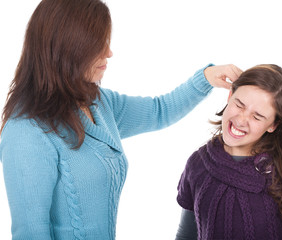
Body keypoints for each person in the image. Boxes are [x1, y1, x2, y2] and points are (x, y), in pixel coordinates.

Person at [0, 0, 242, 239]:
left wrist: (206, 78)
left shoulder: (97, 101)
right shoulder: (26, 131)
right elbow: (31, 233)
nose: (109, 52)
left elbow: (159, 111)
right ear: (68, 49)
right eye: (98, 44)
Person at [176, 64, 282, 240]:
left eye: (257, 116)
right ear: (230, 95)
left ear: (273, 125)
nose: (241, 120)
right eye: (239, 105)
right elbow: (185, 235)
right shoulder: (198, 165)